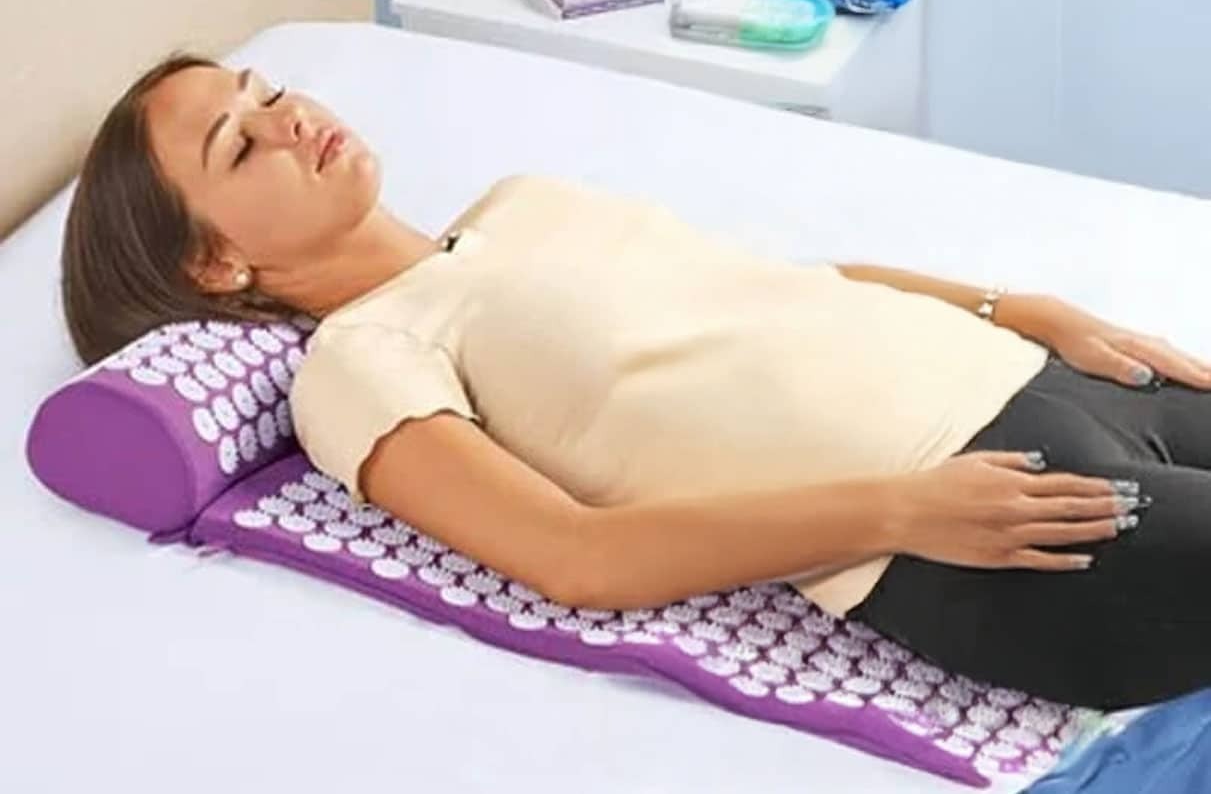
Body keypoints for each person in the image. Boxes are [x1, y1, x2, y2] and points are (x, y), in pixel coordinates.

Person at [61, 53, 1211, 711]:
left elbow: (781, 282)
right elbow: (574, 557)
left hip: (1037, 372)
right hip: (979, 504)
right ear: (214, 264)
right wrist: (900, 511)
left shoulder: (522, 202)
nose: (290, 120)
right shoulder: (357, 363)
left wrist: (1018, 307)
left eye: (266, 93)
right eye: (239, 144)